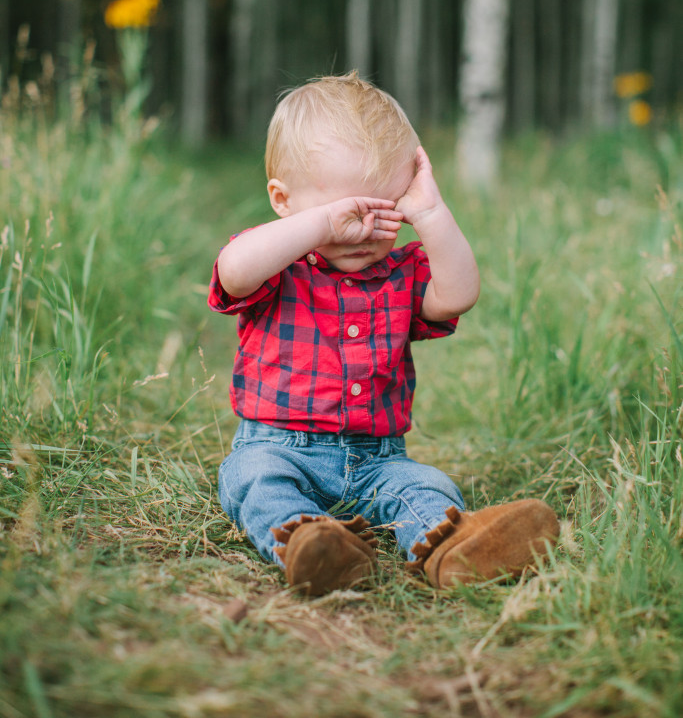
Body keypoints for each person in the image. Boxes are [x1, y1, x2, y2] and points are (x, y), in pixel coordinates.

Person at [209, 73, 558, 596]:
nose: (363, 231)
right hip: (279, 447)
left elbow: (458, 293)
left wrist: (430, 212)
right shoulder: (276, 263)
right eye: (348, 212)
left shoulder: (401, 272)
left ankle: (453, 548)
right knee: (252, 480)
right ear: (283, 200)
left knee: (427, 486)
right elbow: (233, 270)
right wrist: (321, 224)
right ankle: (312, 546)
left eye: (385, 212)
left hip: (378, 459)